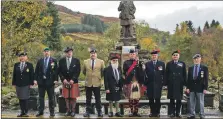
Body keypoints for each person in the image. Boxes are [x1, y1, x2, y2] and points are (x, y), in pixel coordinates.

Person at [35, 47, 58, 117]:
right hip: (41, 82)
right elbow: (36, 71)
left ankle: (52, 112)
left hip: (50, 82)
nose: (46, 53)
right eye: (45, 51)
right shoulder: (40, 60)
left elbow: (56, 71)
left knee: (51, 97)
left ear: (50, 52)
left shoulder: (53, 60)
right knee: (41, 97)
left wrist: (56, 79)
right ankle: (40, 111)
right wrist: (35, 80)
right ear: (43, 53)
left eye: (47, 51)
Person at [58, 47, 81, 117]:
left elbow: (78, 71)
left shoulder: (76, 60)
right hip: (65, 81)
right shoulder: (61, 61)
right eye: (68, 52)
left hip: (73, 81)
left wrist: (73, 79)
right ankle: (68, 110)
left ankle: (73, 111)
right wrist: (63, 79)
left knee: (73, 97)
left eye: (70, 51)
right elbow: (59, 71)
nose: (69, 53)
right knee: (66, 97)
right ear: (65, 53)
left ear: (72, 52)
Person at [83, 48, 105, 117]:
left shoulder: (101, 62)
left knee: (98, 98)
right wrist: (88, 76)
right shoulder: (85, 61)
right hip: (88, 82)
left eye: (94, 53)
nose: (93, 54)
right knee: (88, 98)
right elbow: (84, 71)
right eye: (92, 53)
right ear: (90, 54)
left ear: (96, 54)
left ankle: (99, 111)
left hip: (97, 82)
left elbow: (103, 72)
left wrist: (98, 77)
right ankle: (87, 111)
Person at [122, 49, 144, 117]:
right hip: (130, 82)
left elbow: (142, 72)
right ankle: (132, 111)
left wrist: (139, 65)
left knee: (137, 98)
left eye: (133, 54)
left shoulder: (139, 62)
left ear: (135, 55)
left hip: (137, 82)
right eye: (131, 54)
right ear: (129, 55)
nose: (132, 55)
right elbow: (125, 72)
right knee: (130, 98)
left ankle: (136, 112)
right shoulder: (126, 62)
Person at [165, 50, 187, 118]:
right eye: (174, 55)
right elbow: (166, 74)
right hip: (171, 83)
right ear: (172, 56)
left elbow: (184, 74)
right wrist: (166, 84)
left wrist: (185, 84)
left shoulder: (182, 63)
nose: (175, 56)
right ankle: (172, 113)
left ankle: (178, 113)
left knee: (179, 99)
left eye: (176, 55)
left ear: (179, 56)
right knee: (171, 99)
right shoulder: (169, 63)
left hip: (179, 84)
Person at [12, 52, 34, 117]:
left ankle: (26, 112)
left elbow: (32, 75)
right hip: (18, 84)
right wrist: (13, 83)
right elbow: (14, 74)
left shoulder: (30, 65)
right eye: (21, 56)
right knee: (20, 98)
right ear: (19, 57)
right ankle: (22, 111)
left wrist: (31, 83)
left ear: (26, 57)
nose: (22, 57)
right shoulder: (16, 64)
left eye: (24, 56)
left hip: (26, 84)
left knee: (26, 98)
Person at [187, 54, 208, 119]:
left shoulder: (204, 68)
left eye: (198, 58)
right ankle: (192, 114)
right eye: (195, 59)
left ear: (200, 59)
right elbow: (188, 79)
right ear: (193, 60)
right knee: (192, 102)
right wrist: (187, 87)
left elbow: (206, 79)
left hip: (200, 87)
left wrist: (205, 88)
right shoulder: (190, 68)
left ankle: (202, 114)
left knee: (201, 102)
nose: (196, 60)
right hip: (192, 87)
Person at [144, 49, 165, 117]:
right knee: (151, 99)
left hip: (158, 85)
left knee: (158, 99)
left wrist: (163, 83)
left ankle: (157, 112)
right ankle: (152, 112)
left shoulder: (161, 64)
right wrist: (145, 83)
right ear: (151, 56)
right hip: (150, 84)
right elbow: (145, 74)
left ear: (157, 56)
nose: (154, 56)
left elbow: (164, 74)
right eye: (153, 55)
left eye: (155, 55)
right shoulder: (147, 64)